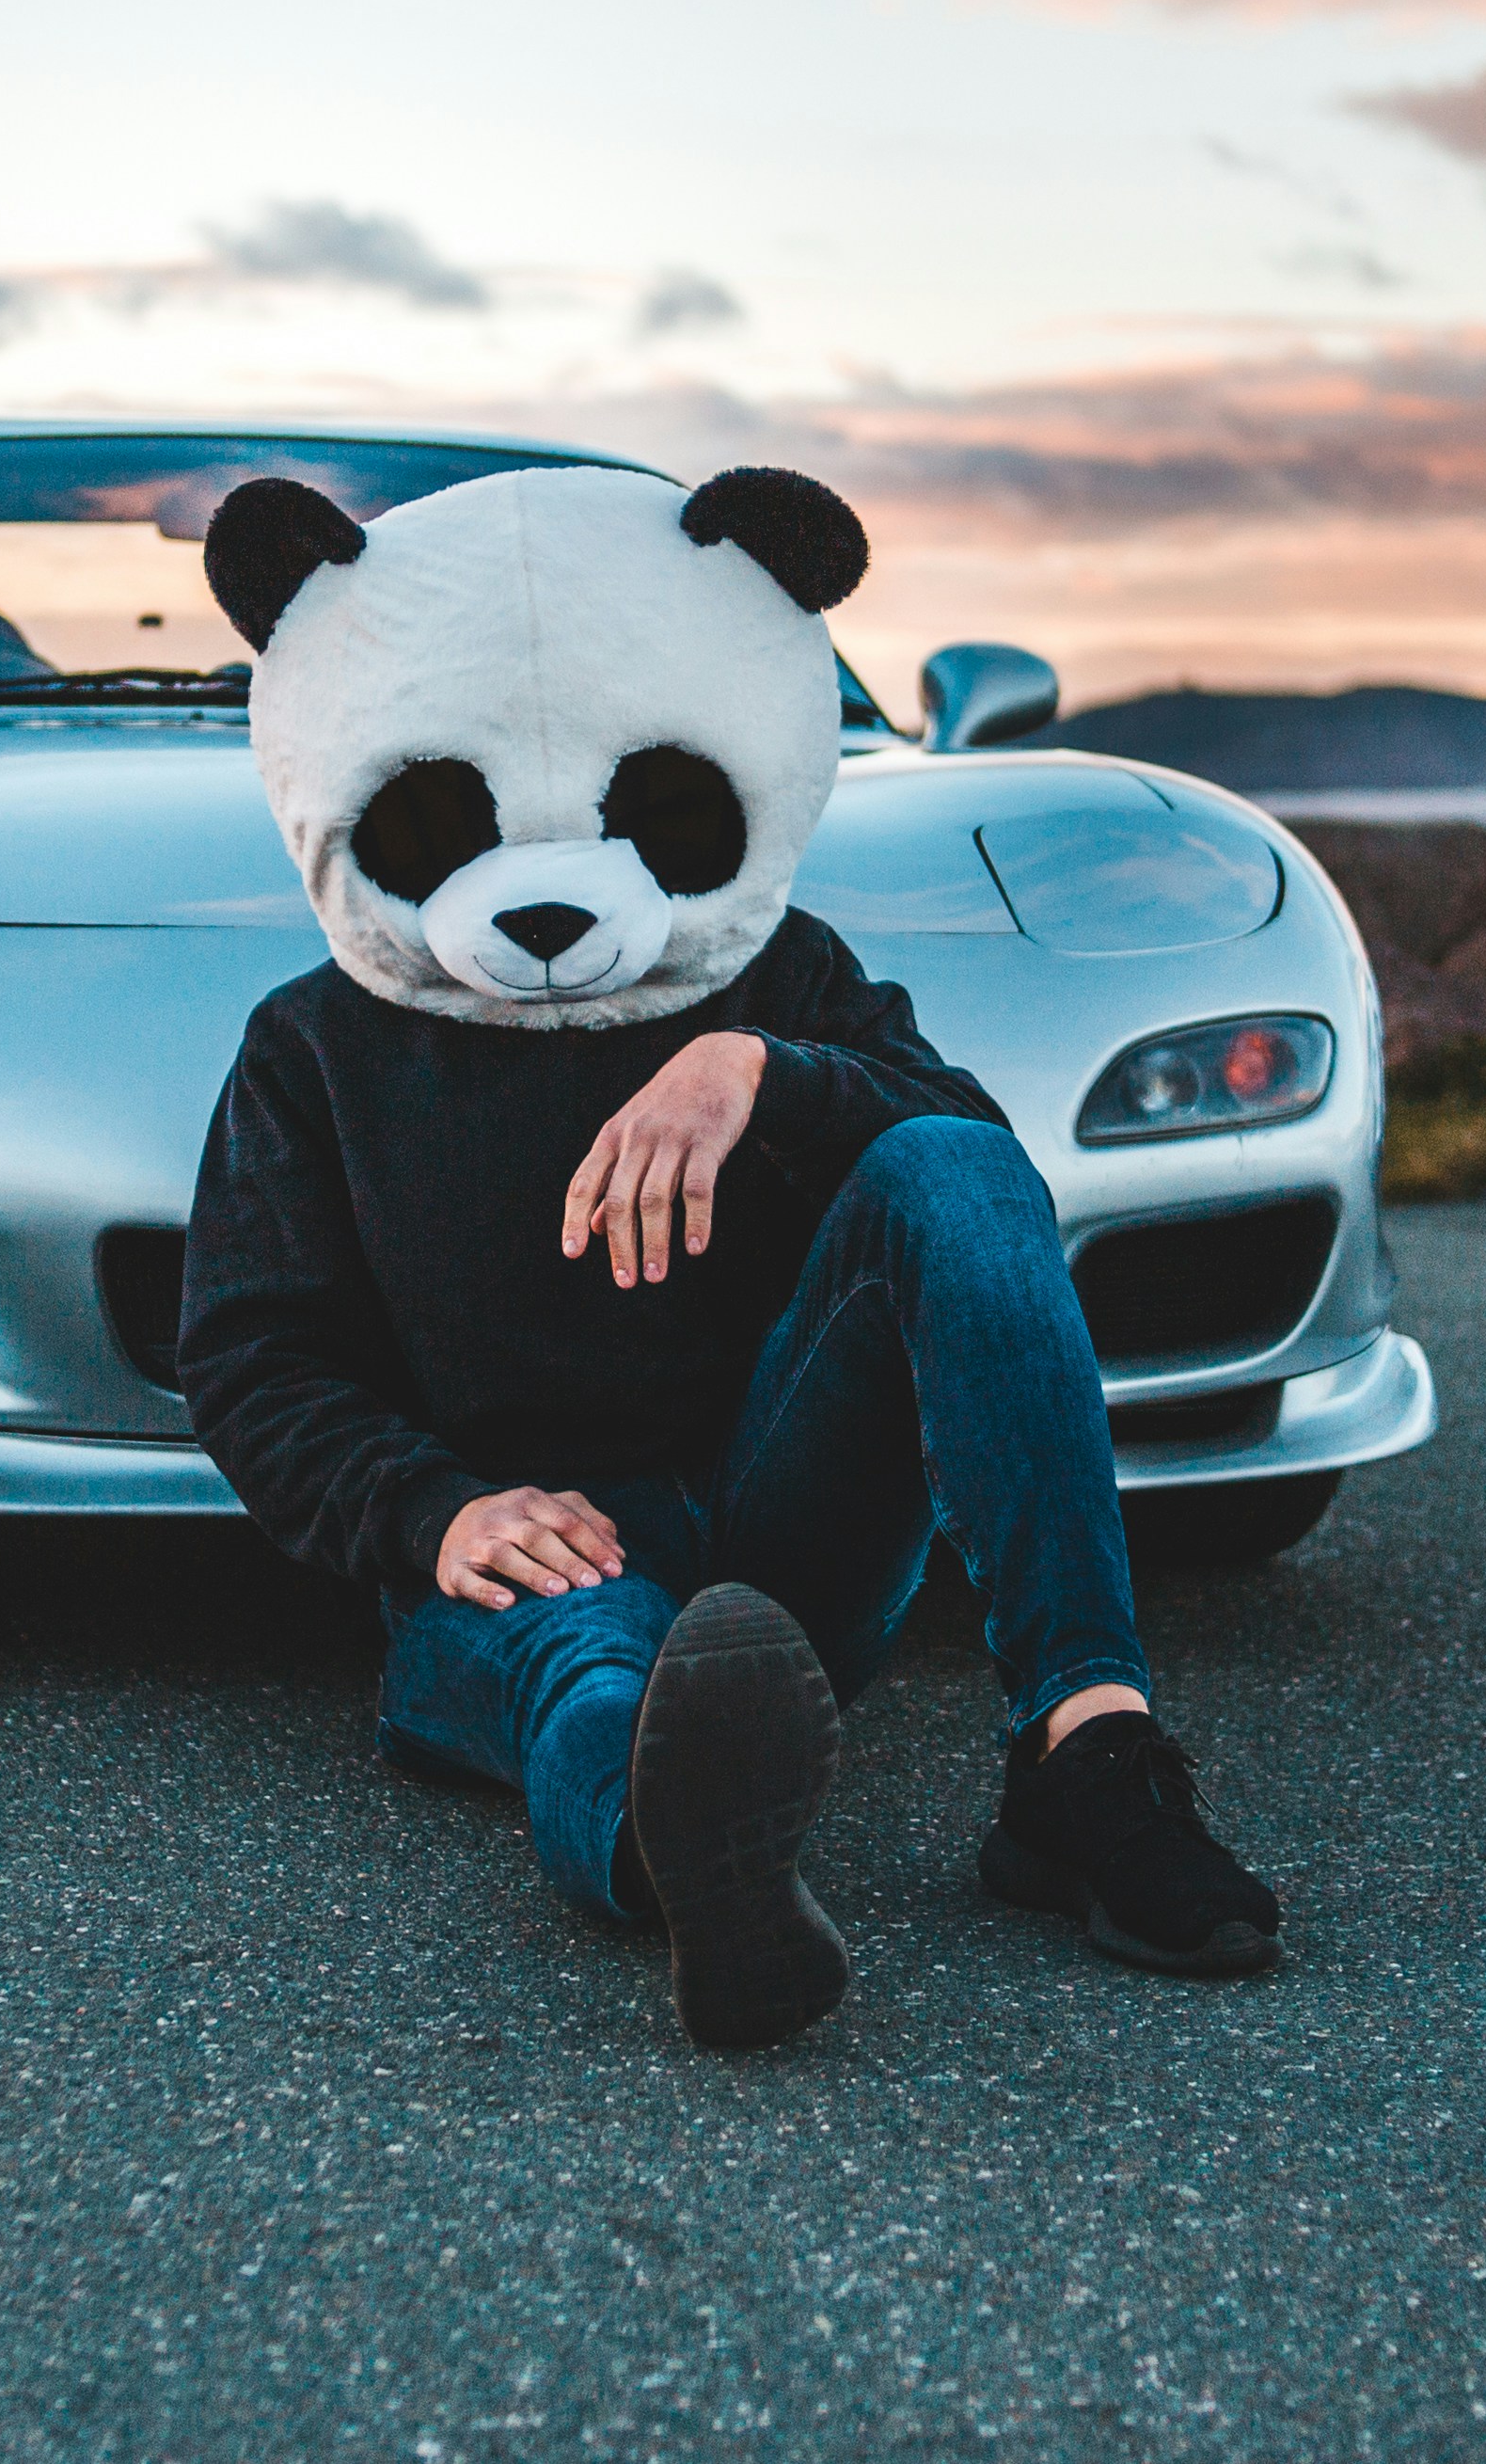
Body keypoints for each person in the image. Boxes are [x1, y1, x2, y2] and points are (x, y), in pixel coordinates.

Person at [172, 459, 1282, 2049]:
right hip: (525, 1542)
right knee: (592, 1670)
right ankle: (689, 1870)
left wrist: (761, 1068)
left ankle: (1085, 1754)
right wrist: (431, 1511)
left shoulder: (781, 973)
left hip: (783, 1522)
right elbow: (248, 1351)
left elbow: (980, 1195)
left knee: (944, 1159)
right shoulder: (313, 1046)